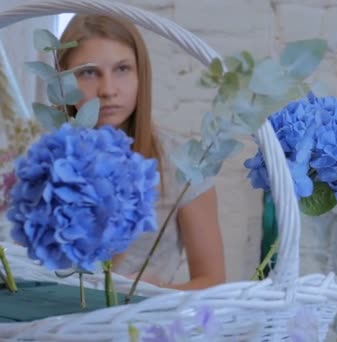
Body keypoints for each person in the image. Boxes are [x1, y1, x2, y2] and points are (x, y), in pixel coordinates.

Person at [57, 14, 226, 290]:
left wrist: (150, 293)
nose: (108, 90)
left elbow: (213, 282)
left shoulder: (184, 162)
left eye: (122, 69)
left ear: (141, 74)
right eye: (88, 72)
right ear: (63, 80)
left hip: (141, 325)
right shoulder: (43, 161)